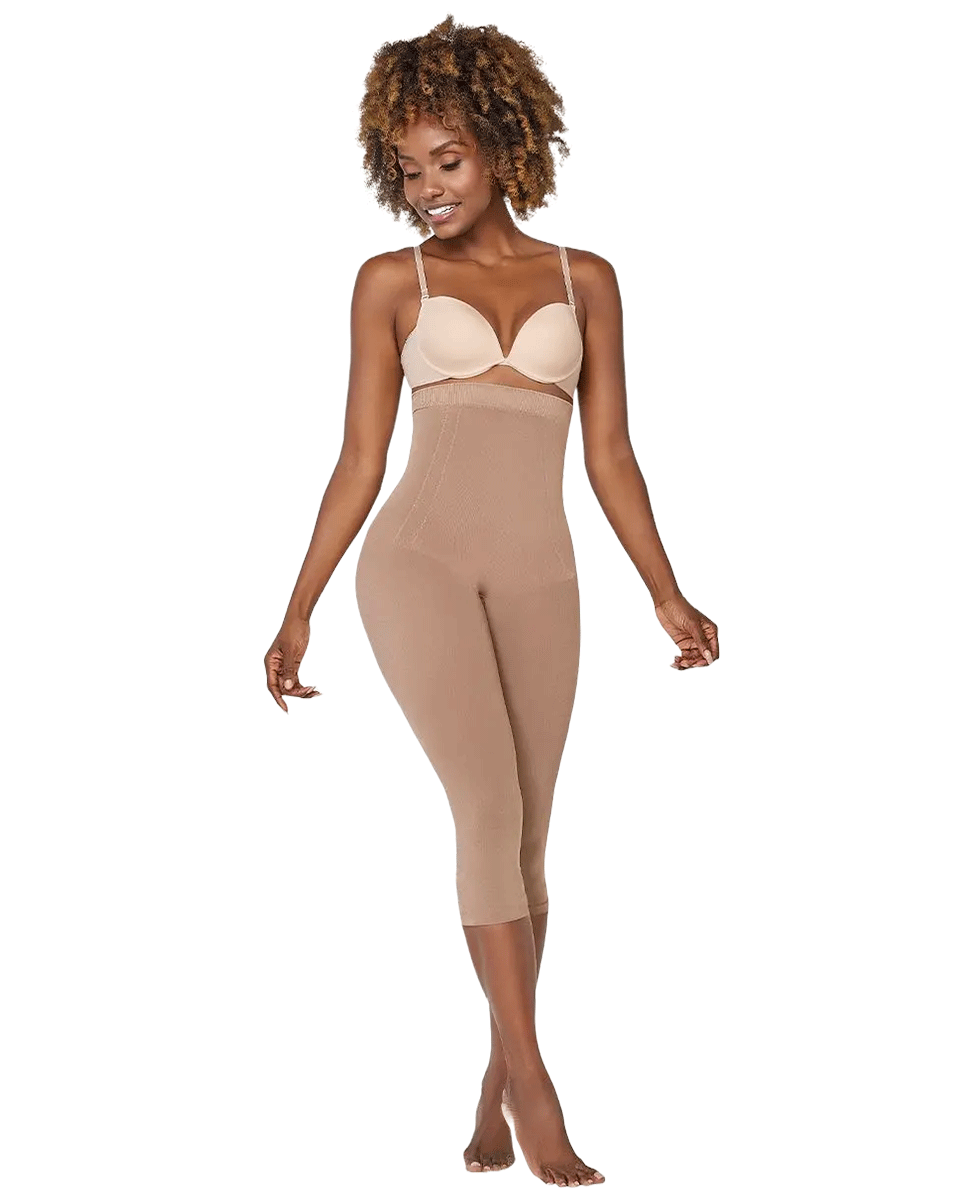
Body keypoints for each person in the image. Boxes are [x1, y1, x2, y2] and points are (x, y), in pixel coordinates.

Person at [264, 14, 719, 1187]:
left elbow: (609, 453)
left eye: (447, 161)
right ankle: (534, 1083)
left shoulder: (585, 279)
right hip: (413, 565)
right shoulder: (389, 283)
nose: (425, 189)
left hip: (541, 576)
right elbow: (358, 461)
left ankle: (489, 1076)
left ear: (505, 144)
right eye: (407, 168)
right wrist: (299, 604)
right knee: (482, 808)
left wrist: (665, 593)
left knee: (527, 836)